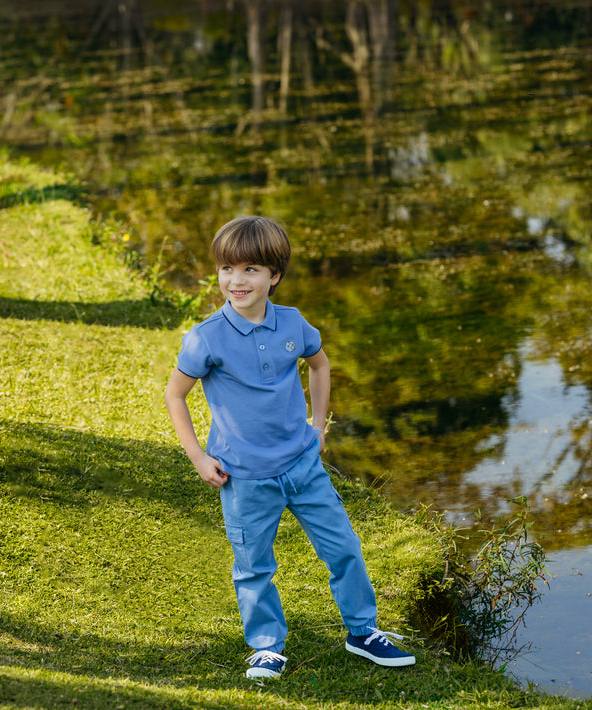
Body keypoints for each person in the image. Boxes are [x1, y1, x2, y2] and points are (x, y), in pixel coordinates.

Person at [164, 216, 415, 680]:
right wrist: (199, 456)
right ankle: (266, 646)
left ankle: (363, 631)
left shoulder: (293, 323)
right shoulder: (205, 337)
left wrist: (318, 426)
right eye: (227, 269)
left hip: (302, 467)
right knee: (254, 565)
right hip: (245, 476)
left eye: (251, 270)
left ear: (274, 276)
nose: (236, 281)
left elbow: (320, 366)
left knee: (344, 549)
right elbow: (175, 394)